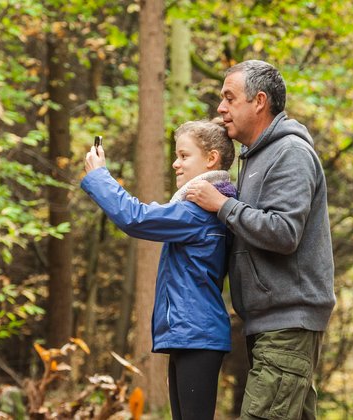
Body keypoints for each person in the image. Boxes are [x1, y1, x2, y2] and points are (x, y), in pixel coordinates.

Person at [186, 60, 336, 419]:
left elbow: (284, 232)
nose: (220, 107)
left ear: (259, 101)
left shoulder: (290, 154)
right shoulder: (252, 158)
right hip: (270, 324)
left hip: (287, 324)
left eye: (229, 97)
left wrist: (222, 205)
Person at [81, 120, 237, 420]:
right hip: (189, 335)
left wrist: (100, 177)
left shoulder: (198, 212)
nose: (175, 164)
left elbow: (135, 219)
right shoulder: (201, 208)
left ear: (211, 159)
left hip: (198, 335)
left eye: (183, 155)